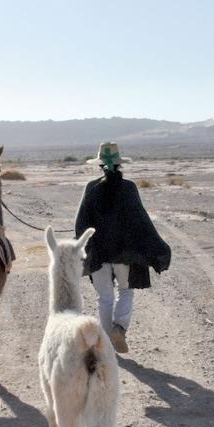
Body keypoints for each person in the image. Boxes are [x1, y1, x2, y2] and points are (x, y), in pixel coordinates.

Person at [74, 142, 171, 353]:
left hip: (98, 254)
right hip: (124, 255)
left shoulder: (91, 188)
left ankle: (107, 344)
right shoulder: (129, 188)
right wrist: (157, 247)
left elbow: (81, 223)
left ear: (100, 166)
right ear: (119, 164)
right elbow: (141, 221)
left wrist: (83, 249)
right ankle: (119, 328)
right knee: (126, 292)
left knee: (104, 298)